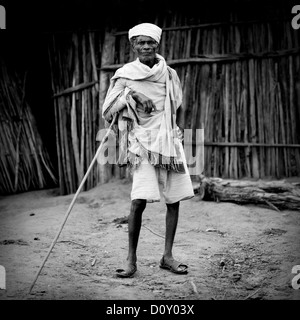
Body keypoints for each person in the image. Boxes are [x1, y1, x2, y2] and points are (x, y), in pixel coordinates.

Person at [101, 23, 194, 278]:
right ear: (133, 45)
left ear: (157, 45)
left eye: (150, 42)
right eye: (140, 42)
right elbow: (107, 111)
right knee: (138, 201)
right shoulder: (124, 74)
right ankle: (131, 260)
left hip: (168, 139)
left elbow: (179, 103)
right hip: (141, 142)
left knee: (173, 200)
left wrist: (180, 130)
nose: (145, 47)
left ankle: (167, 256)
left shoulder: (169, 73)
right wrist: (132, 94)